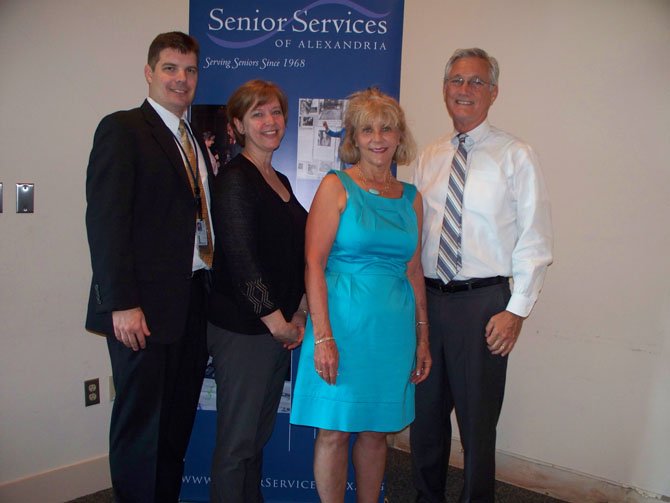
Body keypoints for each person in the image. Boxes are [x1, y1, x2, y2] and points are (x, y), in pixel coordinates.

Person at [410, 48, 553, 502]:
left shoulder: (517, 155)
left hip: (484, 304)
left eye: (475, 82)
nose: (464, 90)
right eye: (456, 81)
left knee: (477, 426)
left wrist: (516, 311)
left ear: (493, 92)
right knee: (425, 420)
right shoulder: (429, 157)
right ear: (444, 90)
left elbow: (534, 239)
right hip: (429, 304)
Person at [85, 32, 214, 502]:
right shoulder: (123, 129)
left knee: (175, 427)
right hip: (140, 312)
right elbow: (105, 222)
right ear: (149, 72)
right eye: (171, 68)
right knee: (141, 430)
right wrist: (121, 303)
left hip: (190, 303)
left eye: (190, 70)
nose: (182, 79)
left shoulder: (192, 138)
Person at [291, 88, 432, 503]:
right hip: (342, 327)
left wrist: (423, 336)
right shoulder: (335, 186)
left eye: (387, 128)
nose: (378, 137)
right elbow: (314, 264)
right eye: (367, 129)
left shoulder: (412, 198)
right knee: (334, 431)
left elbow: (413, 268)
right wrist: (323, 337)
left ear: (399, 136)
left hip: (392, 332)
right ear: (354, 136)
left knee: (376, 431)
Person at [207, 79, 308, 503]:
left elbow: (297, 255)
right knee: (237, 444)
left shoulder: (279, 177)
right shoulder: (234, 180)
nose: (270, 121)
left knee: (256, 438)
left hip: (277, 330)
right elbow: (242, 259)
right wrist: (278, 323)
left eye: (275, 112)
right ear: (238, 125)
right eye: (257, 114)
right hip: (246, 331)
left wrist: (299, 314)